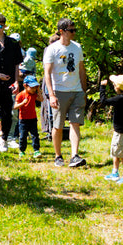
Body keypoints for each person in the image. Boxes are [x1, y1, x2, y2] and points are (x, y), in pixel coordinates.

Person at [43, 18, 88, 168]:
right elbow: (47, 74)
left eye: (75, 30)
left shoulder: (77, 47)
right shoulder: (52, 49)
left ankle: (74, 155)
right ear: (61, 31)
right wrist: (51, 95)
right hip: (59, 91)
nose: (74, 33)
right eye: (71, 30)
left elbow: (81, 70)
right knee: (58, 125)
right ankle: (58, 156)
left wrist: (83, 90)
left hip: (76, 90)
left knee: (75, 123)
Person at [0, 14, 22, 152]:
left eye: (0, 26)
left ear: (5, 26)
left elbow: (16, 65)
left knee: (7, 113)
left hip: (9, 84)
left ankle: (4, 138)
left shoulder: (13, 43)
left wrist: (17, 82)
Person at [98, 74, 123, 183]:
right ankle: (115, 172)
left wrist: (102, 88)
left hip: (121, 132)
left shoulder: (119, 99)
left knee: (121, 154)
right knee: (115, 151)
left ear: (117, 88)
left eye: (114, 84)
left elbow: (103, 101)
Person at [14, 75, 42, 159]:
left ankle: (36, 150)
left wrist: (38, 90)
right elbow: (15, 107)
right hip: (23, 120)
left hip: (33, 119)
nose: (33, 89)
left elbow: (41, 99)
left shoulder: (34, 94)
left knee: (35, 135)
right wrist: (22, 103)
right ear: (25, 86)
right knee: (23, 136)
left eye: (35, 87)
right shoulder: (20, 95)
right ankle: (22, 151)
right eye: (32, 87)